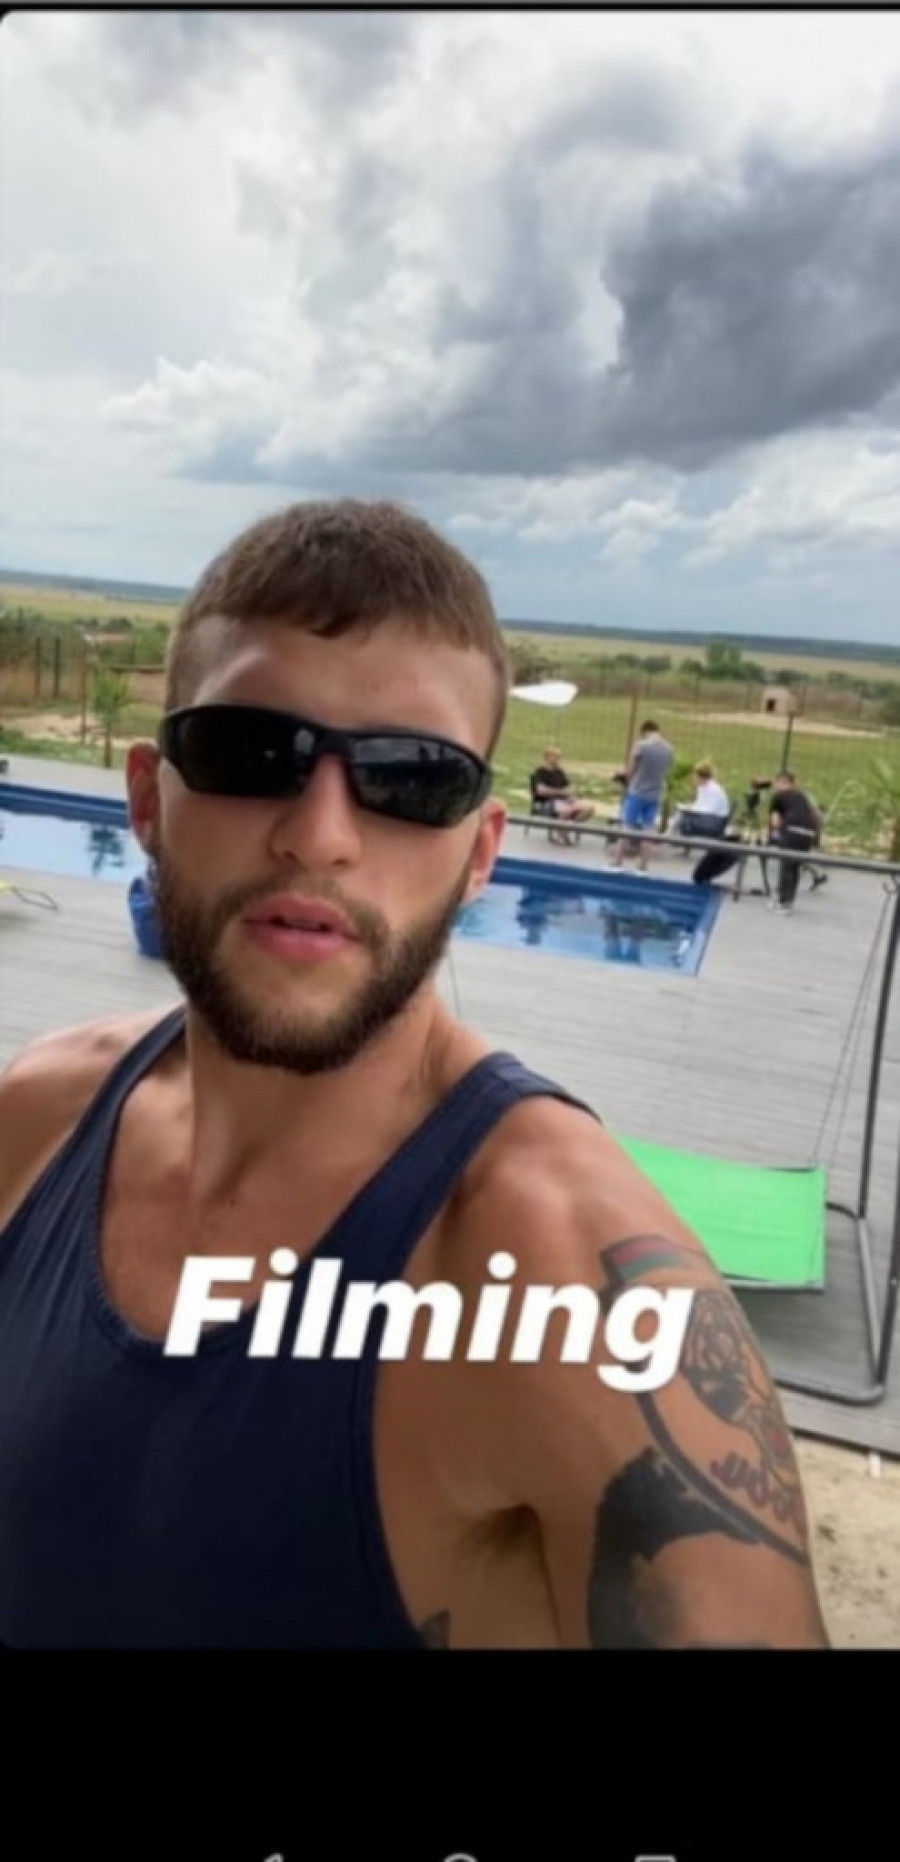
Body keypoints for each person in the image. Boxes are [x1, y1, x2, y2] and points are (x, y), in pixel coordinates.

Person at [0, 499, 828, 1650]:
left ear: (481, 851)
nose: (320, 832)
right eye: (250, 749)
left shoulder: (571, 1295)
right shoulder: (36, 1115)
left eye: (415, 777)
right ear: (147, 796)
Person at [611, 719, 674, 872]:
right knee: (648, 829)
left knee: (627, 826)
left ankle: (618, 861)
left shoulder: (641, 746)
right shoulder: (668, 749)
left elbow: (630, 771)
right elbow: (666, 771)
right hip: (655, 794)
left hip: (637, 792)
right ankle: (643, 865)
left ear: (644, 732)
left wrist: (622, 777)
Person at [767, 771, 823, 913]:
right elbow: (816, 816)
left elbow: (775, 822)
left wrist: (775, 835)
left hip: (792, 831)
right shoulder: (803, 797)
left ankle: (782, 900)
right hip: (808, 834)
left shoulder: (778, 797)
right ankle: (789, 901)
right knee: (795, 867)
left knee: (786, 866)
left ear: (781, 782)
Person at [529, 746, 595, 844]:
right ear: (548, 757)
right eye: (556, 757)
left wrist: (572, 794)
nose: (558, 760)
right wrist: (561, 792)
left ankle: (565, 831)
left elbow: (568, 787)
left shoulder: (559, 772)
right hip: (547, 803)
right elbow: (541, 791)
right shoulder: (538, 772)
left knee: (589, 808)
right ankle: (562, 834)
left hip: (565, 800)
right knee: (566, 810)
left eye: (559, 757)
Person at [673, 762, 731, 840]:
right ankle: (674, 840)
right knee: (681, 816)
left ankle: (678, 841)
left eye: (695, 776)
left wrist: (692, 810)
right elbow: (700, 804)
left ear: (702, 776)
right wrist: (689, 807)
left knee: (684, 821)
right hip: (707, 818)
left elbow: (710, 810)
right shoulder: (702, 787)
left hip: (715, 821)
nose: (693, 778)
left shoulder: (713, 789)